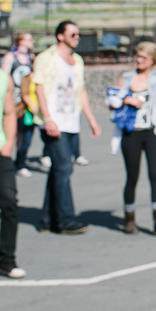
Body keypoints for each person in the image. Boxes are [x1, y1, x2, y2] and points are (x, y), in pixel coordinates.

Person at [32, 20, 102, 234]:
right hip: (53, 122)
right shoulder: (46, 58)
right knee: (64, 167)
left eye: (78, 34)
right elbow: (39, 88)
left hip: (71, 121)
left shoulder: (77, 60)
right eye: (73, 34)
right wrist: (47, 118)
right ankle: (65, 220)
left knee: (58, 170)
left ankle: (47, 219)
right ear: (60, 36)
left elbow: (81, 91)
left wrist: (91, 119)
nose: (77, 38)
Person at [110, 42, 156, 235]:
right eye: (137, 56)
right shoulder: (127, 77)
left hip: (153, 132)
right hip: (131, 133)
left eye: (143, 57)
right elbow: (112, 102)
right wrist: (125, 100)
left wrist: (154, 59)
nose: (139, 60)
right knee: (132, 177)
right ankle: (129, 219)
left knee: (155, 175)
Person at [0, 65, 21, 278]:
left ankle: (7, 261)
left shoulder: (3, 78)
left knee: (10, 204)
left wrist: (9, 142)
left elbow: (9, 112)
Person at [0, 32, 35, 178]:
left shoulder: (31, 57)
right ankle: (5, 162)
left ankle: (21, 162)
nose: (32, 41)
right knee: (10, 132)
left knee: (26, 133)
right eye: (29, 39)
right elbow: (3, 78)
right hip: (13, 101)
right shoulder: (10, 57)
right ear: (20, 41)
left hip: (27, 101)